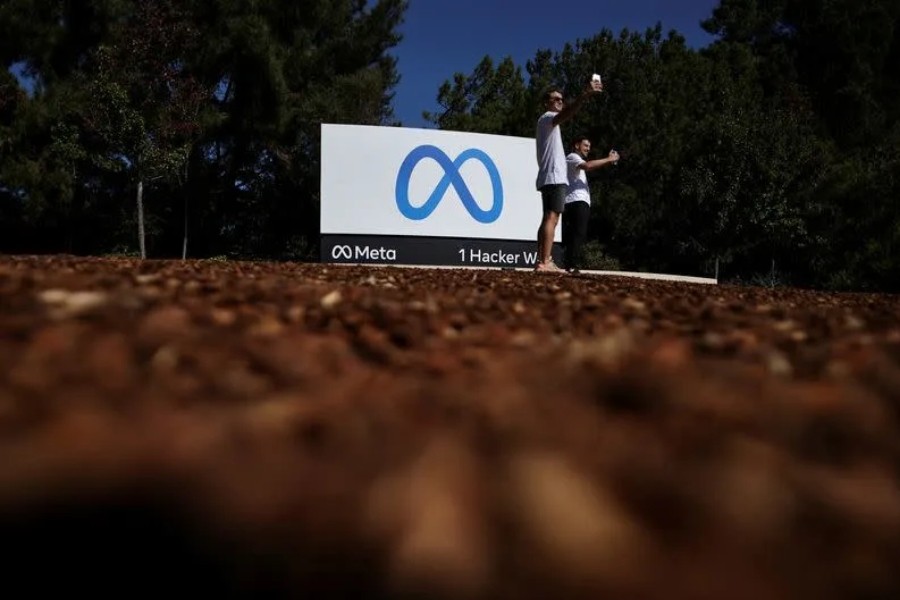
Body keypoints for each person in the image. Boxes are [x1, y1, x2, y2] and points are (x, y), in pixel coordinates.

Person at [533, 80, 603, 272]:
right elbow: (568, 113)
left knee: (547, 217)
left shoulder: (546, 123)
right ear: (546, 103)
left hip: (548, 176)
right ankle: (545, 261)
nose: (559, 102)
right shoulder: (547, 118)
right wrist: (585, 95)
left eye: (561, 99)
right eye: (555, 99)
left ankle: (542, 259)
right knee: (552, 217)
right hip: (554, 177)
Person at [563, 137, 619, 273]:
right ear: (576, 145)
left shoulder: (576, 161)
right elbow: (588, 166)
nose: (588, 148)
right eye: (585, 145)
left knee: (577, 233)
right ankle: (573, 264)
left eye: (589, 146)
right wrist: (608, 159)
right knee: (578, 233)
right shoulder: (572, 157)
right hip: (576, 201)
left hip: (578, 201)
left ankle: (570, 264)